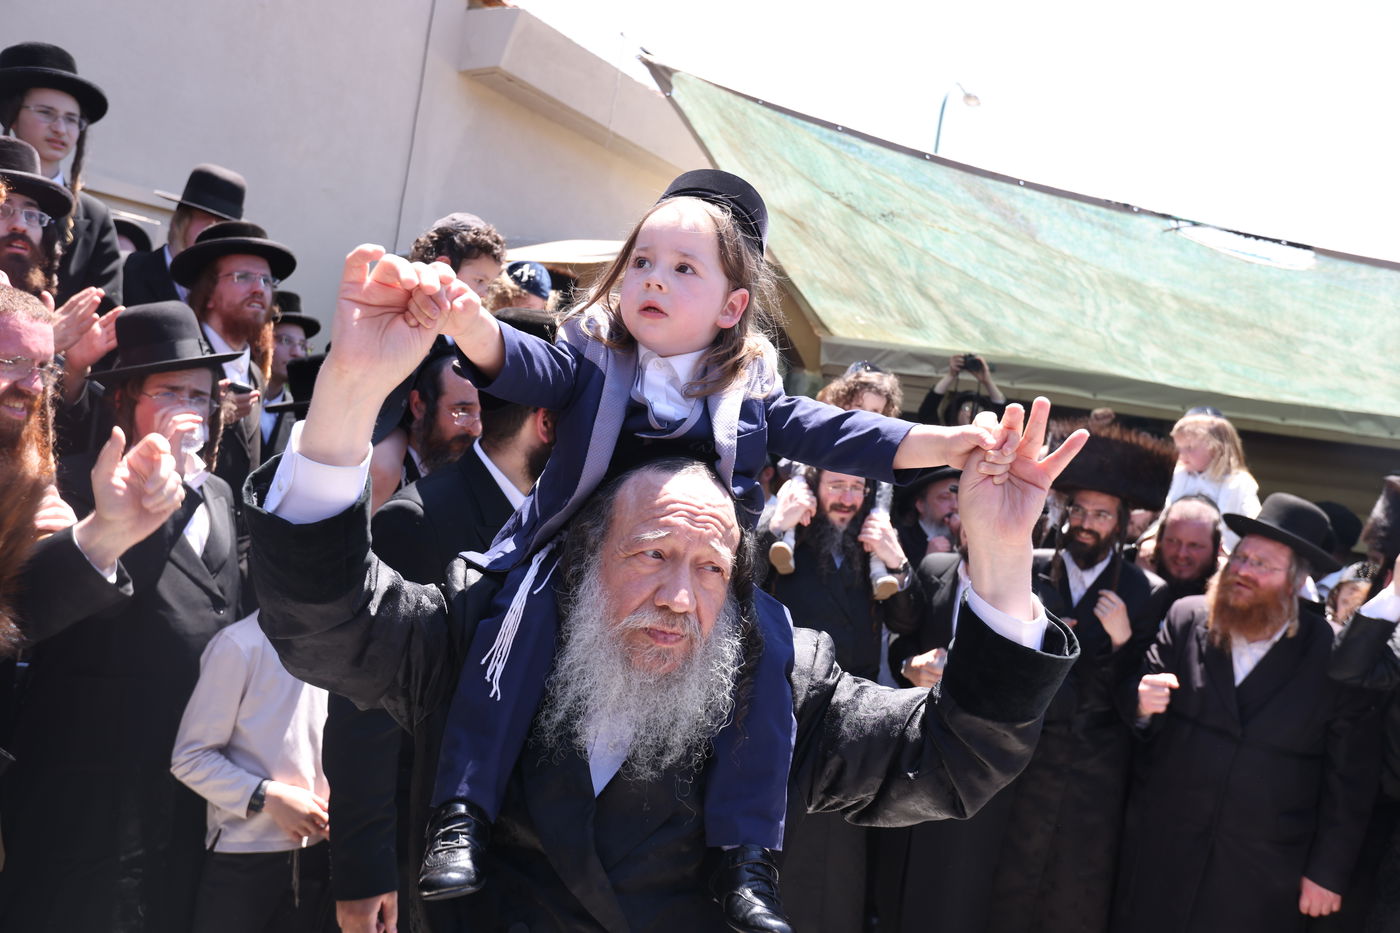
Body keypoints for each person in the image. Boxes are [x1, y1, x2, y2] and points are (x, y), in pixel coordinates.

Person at [423, 169, 1022, 930]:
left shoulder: (750, 396)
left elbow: (841, 434)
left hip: (702, 585)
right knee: (510, 627)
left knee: (769, 653)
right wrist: (468, 321)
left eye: (683, 269)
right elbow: (520, 361)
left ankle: (746, 860)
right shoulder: (591, 359)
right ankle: (461, 813)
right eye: (641, 261)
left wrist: (953, 443)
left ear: (732, 306)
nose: (654, 281)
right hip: (576, 566)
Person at [0, 300, 244, 932]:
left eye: (201, 392)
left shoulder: (219, 494)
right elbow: (34, 610)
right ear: (124, 401)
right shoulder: (74, 485)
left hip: (186, 774)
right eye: (170, 392)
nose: (190, 407)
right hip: (86, 775)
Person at [325, 309, 556, 933]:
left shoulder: (563, 519)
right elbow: (364, 709)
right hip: (423, 858)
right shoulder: (419, 522)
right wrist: (365, 868)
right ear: (548, 422)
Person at [1120, 493, 1380, 932]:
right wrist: (1140, 701)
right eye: (1241, 556)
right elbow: (1134, 706)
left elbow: (1349, 779)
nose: (1242, 570)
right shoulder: (1188, 619)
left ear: (1296, 580)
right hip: (1165, 853)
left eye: (1262, 564)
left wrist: (1327, 872)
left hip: (1262, 873)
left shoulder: (1331, 653)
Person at [975, 423, 1173, 933]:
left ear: (1123, 523)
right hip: (1023, 755)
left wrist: (1124, 640)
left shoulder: (1145, 590)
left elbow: (1139, 690)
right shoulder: (1031, 566)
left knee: (1075, 886)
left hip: (1095, 767)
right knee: (1005, 879)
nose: (1086, 523)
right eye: (1078, 511)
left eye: (1101, 515)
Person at [759, 465, 919, 931]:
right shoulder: (790, 532)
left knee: (844, 862)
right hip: (786, 713)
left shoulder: (874, 542)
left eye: (857, 487)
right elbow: (738, 579)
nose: (848, 498)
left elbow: (907, 622)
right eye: (837, 486)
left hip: (857, 716)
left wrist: (898, 563)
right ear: (815, 488)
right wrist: (772, 525)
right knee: (784, 849)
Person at [171, 609, 334, 933]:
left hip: (324, 857)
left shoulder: (340, 640)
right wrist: (267, 796)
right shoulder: (239, 644)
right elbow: (190, 758)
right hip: (244, 859)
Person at [170, 220, 296, 524]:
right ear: (208, 293)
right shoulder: (177, 362)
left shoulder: (253, 372)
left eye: (267, 281)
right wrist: (212, 414)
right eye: (243, 277)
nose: (259, 289)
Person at [0, 42, 122, 311]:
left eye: (71, 119)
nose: (60, 128)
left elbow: (105, 309)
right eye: (46, 113)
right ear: (12, 116)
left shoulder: (94, 216)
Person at [123, 163, 247, 306]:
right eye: (210, 225)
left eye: (227, 231)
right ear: (182, 222)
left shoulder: (226, 296)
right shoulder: (128, 270)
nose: (218, 237)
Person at [1164, 407, 1261, 549]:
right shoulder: (1178, 476)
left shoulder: (1239, 483)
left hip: (1220, 555)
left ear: (1217, 448)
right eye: (1179, 447)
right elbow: (1162, 514)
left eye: (1190, 447)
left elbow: (1254, 520)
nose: (1181, 454)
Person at [261, 291, 318, 456]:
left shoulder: (303, 413)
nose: (297, 353)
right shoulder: (236, 403)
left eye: (302, 345)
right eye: (285, 341)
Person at [1152, 494, 1223, 603]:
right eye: (1173, 541)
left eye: (1194, 545)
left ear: (1217, 549)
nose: (1181, 554)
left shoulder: (1226, 600)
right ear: (1159, 540)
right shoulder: (1127, 579)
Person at [917, 353, 1008, 425]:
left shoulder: (990, 442)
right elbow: (927, 412)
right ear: (956, 413)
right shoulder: (944, 438)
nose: (971, 413)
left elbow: (1005, 416)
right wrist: (951, 375)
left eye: (978, 410)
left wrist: (987, 382)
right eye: (967, 408)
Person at [896, 467, 959, 563]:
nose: (955, 506)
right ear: (921, 504)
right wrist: (929, 559)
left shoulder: (967, 535)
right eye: (944, 497)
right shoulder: (901, 538)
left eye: (959, 498)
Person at [485, 259, 552, 312]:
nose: (517, 314)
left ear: (544, 305)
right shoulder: (489, 325)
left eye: (527, 309)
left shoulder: (554, 328)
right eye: (509, 306)